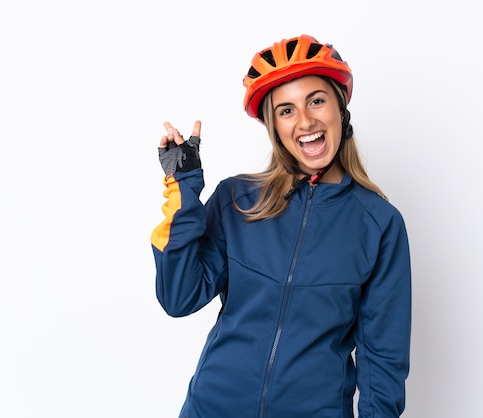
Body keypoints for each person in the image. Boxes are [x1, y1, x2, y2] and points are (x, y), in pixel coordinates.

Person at [151, 34, 411, 418]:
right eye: (286, 110)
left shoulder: (378, 224)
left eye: (316, 101)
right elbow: (179, 297)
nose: (305, 121)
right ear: (274, 126)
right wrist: (185, 192)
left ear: (341, 109)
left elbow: (382, 357)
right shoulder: (236, 199)